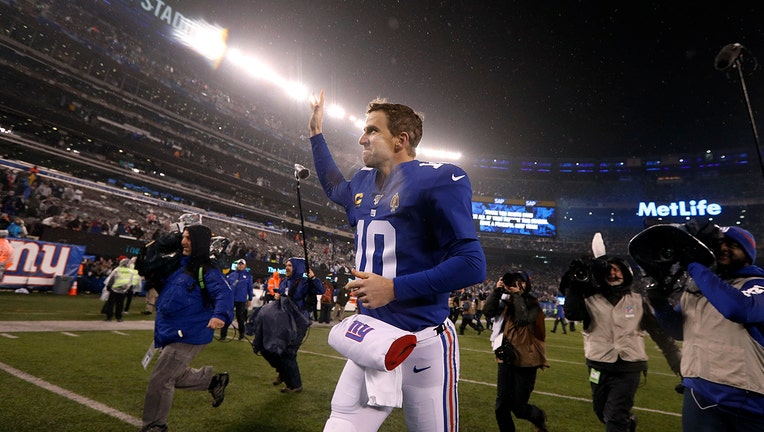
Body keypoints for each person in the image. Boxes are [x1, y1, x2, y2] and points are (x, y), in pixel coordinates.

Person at [309, 90, 487, 431]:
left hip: (424, 342)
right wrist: (316, 134)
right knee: (342, 423)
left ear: (400, 140)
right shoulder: (362, 181)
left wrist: (394, 288)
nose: (362, 137)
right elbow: (334, 187)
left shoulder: (438, 179)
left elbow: (472, 263)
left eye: (372, 130)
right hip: (375, 340)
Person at [645, 226, 764, 431]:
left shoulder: (756, 284)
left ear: (748, 254)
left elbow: (738, 309)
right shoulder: (699, 288)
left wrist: (695, 265)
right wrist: (659, 304)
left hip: (749, 397)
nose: (724, 248)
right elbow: (679, 331)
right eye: (719, 245)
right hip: (699, 392)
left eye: (733, 245)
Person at [560, 255, 682, 432]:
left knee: (615, 416)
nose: (613, 272)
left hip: (629, 367)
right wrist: (572, 281)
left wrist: (678, 363)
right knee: (601, 412)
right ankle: (629, 423)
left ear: (626, 273)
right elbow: (572, 313)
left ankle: (623, 422)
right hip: (597, 365)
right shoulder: (590, 299)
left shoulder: (638, 301)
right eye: (608, 269)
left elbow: (660, 335)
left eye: (617, 269)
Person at [140, 224, 234, 432]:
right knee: (173, 375)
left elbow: (223, 293)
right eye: (183, 237)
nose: (183, 242)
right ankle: (213, 381)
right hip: (172, 330)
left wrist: (220, 315)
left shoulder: (207, 269)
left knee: (161, 379)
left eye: (189, 238)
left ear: (199, 242)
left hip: (190, 332)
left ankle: (155, 426)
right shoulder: (182, 266)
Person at [483, 270, 550, 432]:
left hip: (527, 360)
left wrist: (518, 295)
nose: (516, 284)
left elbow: (523, 319)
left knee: (519, 408)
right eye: (513, 281)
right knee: (501, 407)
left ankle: (539, 416)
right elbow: (488, 312)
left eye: (521, 281)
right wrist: (496, 291)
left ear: (528, 285)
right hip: (506, 356)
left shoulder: (533, 302)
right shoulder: (504, 300)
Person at [266, 256, 323, 393]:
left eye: (290, 265)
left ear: (296, 268)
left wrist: (313, 279)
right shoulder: (284, 282)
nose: (287, 267)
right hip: (285, 321)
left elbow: (319, 290)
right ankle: (284, 373)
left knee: (289, 353)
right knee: (275, 349)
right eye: (286, 265)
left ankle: (295, 384)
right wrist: (278, 297)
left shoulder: (304, 282)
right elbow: (282, 296)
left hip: (298, 322)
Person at [221, 258, 253, 340]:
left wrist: (250, 299)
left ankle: (241, 334)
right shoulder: (232, 275)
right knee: (227, 316)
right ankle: (223, 334)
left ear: (245, 266)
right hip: (231, 299)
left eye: (242, 264)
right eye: (239, 264)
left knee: (240, 318)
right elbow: (226, 285)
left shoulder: (248, 276)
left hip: (241, 300)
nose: (240, 265)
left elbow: (250, 288)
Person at [102, 258, 133, 322]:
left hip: (114, 289)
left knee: (111, 304)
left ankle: (109, 317)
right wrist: (127, 288)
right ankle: (119, 317)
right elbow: (130, 281)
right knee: (120, 304)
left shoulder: (117, 270)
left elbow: (112, 278)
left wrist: (108, 286)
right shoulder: (130, 271)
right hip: (123, 290)